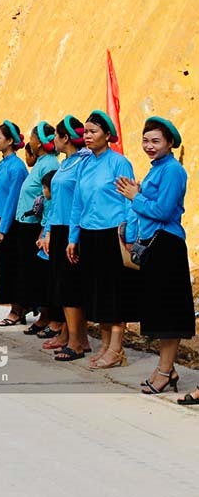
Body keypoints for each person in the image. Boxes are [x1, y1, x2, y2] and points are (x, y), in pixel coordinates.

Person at [111, 117, 193, 394]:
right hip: (154, 247)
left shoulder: (172, 171)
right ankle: (167, 370)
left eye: (156, 141)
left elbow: (163, 211)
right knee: (159, 313)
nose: (149, 146)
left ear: (170, 143)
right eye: (146, 140)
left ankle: (164, 371)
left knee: (167, 315)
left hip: (167, 247)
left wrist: (136, 195)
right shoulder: (156, 170)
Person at [66, 110, 137, 369]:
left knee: (114, 292)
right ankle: (106, 346)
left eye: (93, 132)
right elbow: (77, 204)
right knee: (98, 293)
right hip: (90, 234)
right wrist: (73, 237)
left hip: (112, 234)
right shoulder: (85, 164)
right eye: (85, 132)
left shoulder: (119, 163)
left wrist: (129, 234)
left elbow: (129, 200)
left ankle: (117, 349)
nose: (87, 136)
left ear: (107, 135)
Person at [42, 116, 92, 359]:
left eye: (56, 136)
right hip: (59, 227)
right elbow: (56, 202)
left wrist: (73, 233)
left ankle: (76, 341)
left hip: (73, 229)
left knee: (71, 286)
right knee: (61, 284)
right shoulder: (65, 163)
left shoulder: (83, 162)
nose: (53, 140)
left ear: (64, 138)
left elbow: (80, 199)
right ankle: (70, 335)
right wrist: (49, 231)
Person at [14, 122, 59, 337]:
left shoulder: (49, 163)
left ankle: (47, 317)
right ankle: (42, 314)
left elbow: (50, 199)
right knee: (32, 274)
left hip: (38, 226)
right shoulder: (41, 161)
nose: (30, 141)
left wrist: (45, 231)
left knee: (41, 275)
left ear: (38, 142)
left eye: (32, 136)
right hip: (29, 224)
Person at [0, 120, 29, 327]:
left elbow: (13, 199)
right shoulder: (2, 164)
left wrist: (3, 229)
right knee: (3, 267)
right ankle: (15, 307)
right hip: (2, 219)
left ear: (10, 141)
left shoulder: (17, 168)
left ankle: (17, 310)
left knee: (12, 267)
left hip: (12, 223)